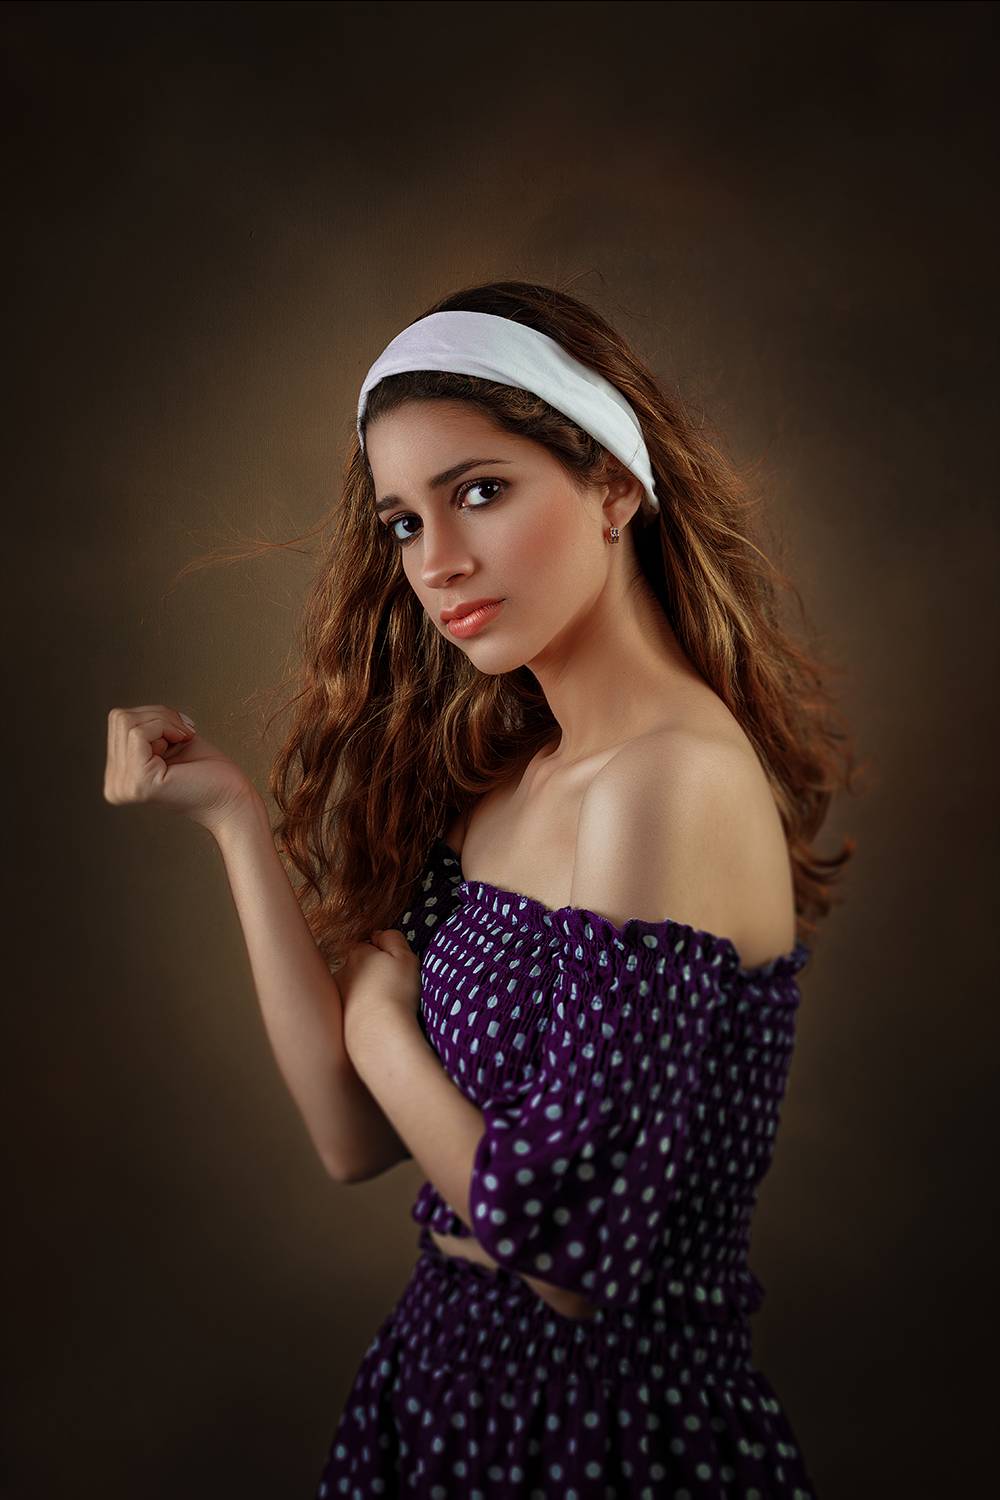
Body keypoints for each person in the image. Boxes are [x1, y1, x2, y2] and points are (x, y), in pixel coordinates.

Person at [105, 281, 858, 1497]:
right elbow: (352, 1136)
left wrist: (379, 1024)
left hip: (604, 1431)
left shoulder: (669, 780)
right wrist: (234, 820)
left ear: (613, 485)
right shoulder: (508, 777)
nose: (437, 561)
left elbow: (565, 1256)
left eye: (480, 492)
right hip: (439, 1390)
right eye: (404, 521)